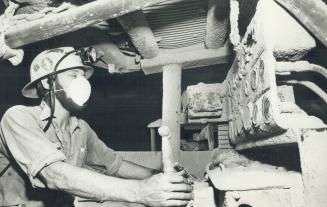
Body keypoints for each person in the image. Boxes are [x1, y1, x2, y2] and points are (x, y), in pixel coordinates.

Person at [0, 47, 193, 207]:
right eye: (73, 75)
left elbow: (114, 165)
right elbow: (54, 175)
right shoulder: (18, 118)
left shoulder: (81, 128)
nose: (82, 82)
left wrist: (162, 178)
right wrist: (141, 191)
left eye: (83, 76)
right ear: (47, 82)